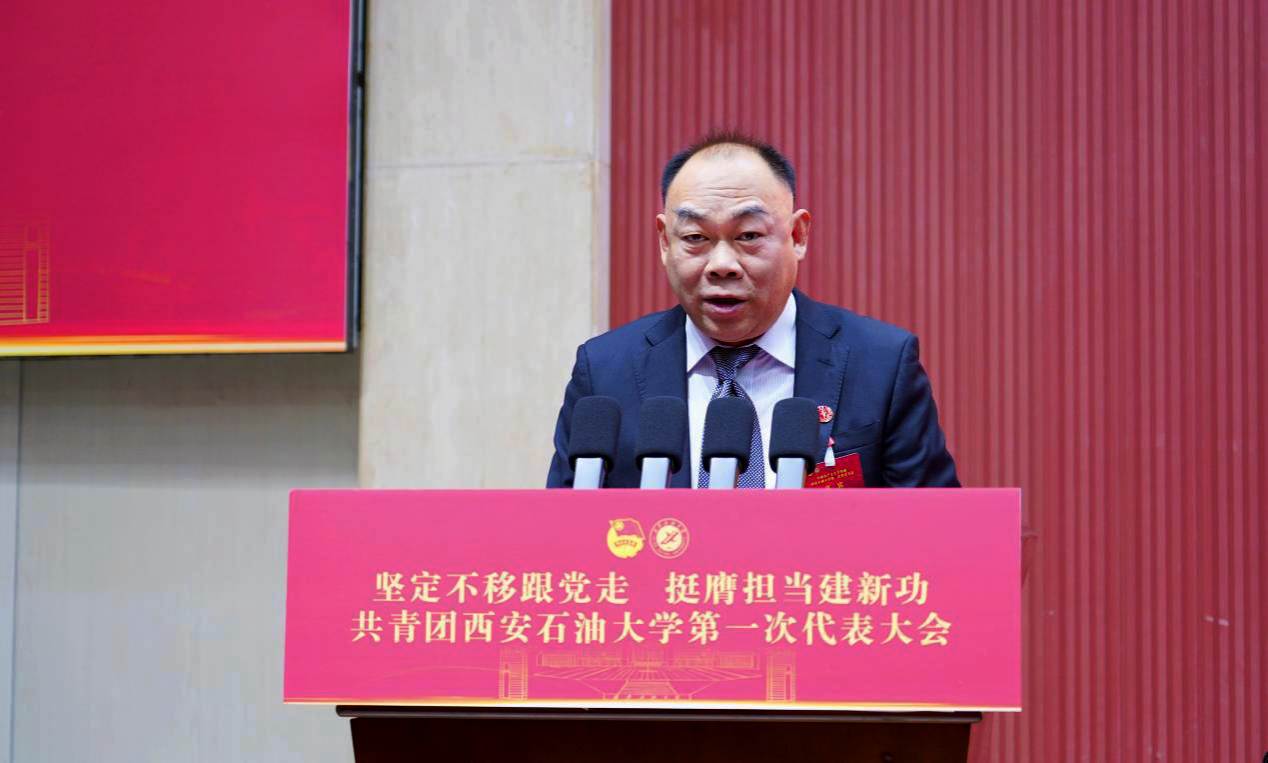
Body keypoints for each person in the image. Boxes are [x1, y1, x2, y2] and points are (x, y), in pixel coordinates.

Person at [547, 131, 958, 488]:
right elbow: (562, 534)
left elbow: (936, 530)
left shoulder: (881, 365)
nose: (721, 264)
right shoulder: (604, 371)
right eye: (695, 237)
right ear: (665, 242)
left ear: (797, 235)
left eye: (747, 235)